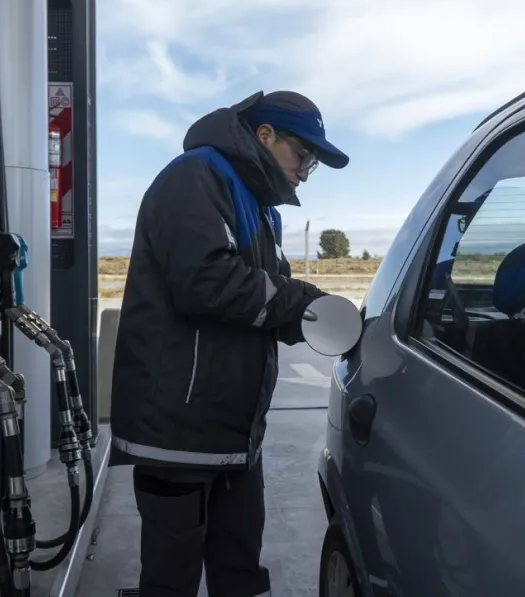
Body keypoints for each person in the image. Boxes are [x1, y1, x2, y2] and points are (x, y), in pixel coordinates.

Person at [109, 90, 350, 597]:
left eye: (312, 163)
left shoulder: (261, 210)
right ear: (265, 135)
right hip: (179, 430)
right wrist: (302, 303)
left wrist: (325, 322)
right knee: (171, 578)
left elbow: (264, 300)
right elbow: (203, 280)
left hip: (233, 431)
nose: (306, 172)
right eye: (303, 155)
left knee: (240, 568)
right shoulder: (197, 176)